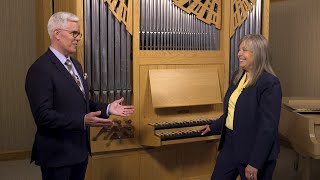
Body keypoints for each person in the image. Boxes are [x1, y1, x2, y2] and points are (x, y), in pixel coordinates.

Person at [25, 12, 134, 180]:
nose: (78, 38)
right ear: (57, 34)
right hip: (57, 157)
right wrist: (82, 121)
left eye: (79, 34)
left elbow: (81, 102)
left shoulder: (75, 64)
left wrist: (107, 108)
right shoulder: (40, 69)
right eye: (74, 33)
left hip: (79, 153)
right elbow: (43, 116)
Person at [201, 34, 282, 180]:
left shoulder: (270, 83)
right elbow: (232, 111)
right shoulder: (237, 77)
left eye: (244, 50)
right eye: (239, 50)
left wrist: (255, 162)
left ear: (257, 53)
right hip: (231, 145)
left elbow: (268, 127)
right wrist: (214, 126)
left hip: (255, 151)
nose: (239, 54)